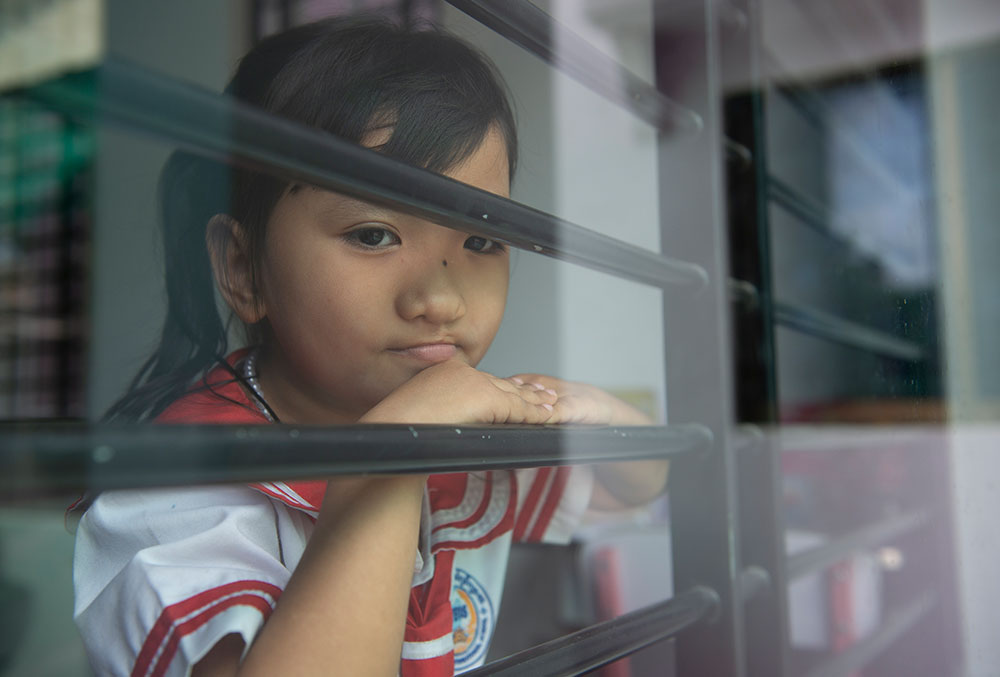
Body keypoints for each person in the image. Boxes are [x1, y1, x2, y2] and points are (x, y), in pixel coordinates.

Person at [72, 15, 668, 677]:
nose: (441, 301)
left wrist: (584, 408)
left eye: (480, 242)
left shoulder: (461, 449)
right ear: (243, 268)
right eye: (374, 235)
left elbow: (634, 483)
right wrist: (388, 456)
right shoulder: (178, 499)